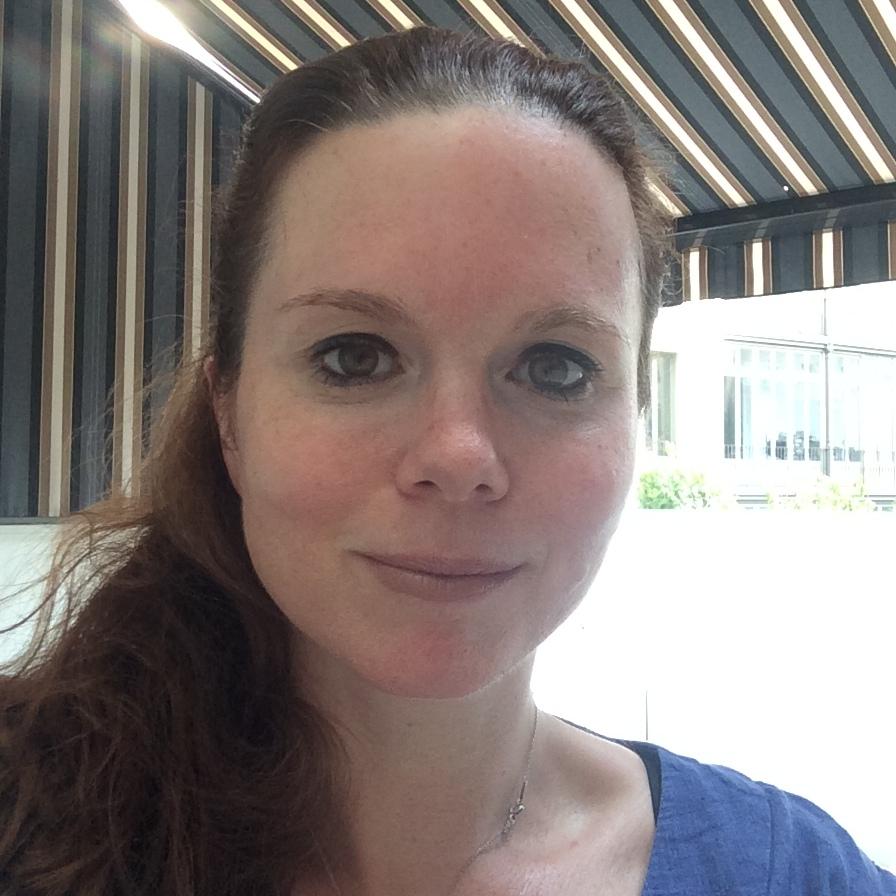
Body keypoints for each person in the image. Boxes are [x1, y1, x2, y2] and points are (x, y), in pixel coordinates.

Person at [0, 25, 892, 896]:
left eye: (556, 367)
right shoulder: (23, 813)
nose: (460, 456)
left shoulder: (790, 872)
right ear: (229, 415)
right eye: (355, 357)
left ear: (634, 422)